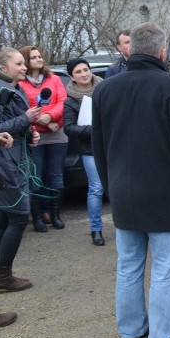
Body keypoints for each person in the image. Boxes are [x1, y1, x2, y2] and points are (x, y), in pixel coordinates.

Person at [92, 22, 170, 338]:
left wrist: (110, 189)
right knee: (164, 270)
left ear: (130, 49)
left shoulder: (105, 89)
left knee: (128, 265)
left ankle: (131, 330)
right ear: (162, 51)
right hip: (166, 197)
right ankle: (161, 337)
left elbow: (99, 149)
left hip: (124, 194)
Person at [0, 47, 41, 290]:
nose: (25, 67)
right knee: (18, 217)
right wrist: (25, 119)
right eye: (18, 64)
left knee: (3, 218)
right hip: (5, 164)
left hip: (14, 160)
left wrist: (30, 133)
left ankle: (2, 273)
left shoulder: (15, 89)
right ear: (3, 68)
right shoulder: (1, 90)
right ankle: (3, 276)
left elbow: (14, 125)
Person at [17, 45, 68, 233]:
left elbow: (63, 102)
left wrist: (50, 117)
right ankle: (37, 217)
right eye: (33, 57)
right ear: (26, 61)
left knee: (56, 176)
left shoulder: (54, 79)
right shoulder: (21, 83)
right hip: (34, 135)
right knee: (36, 177)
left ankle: (55, 215)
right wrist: (45, 122)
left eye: (40, 56)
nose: (39, 59)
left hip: (57, 134)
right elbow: (23, 109)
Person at [62, 58, 106, 246]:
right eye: (78, 72)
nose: (84, 74)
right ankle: (96, 229)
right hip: (89, 149)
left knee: (116, 187)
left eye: (86, 70)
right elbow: (69, 128)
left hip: (111, 146)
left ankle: (125, 225)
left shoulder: (105, 90)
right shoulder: (70, 101)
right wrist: (92, 129)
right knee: (96, 189)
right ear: (72, 76)